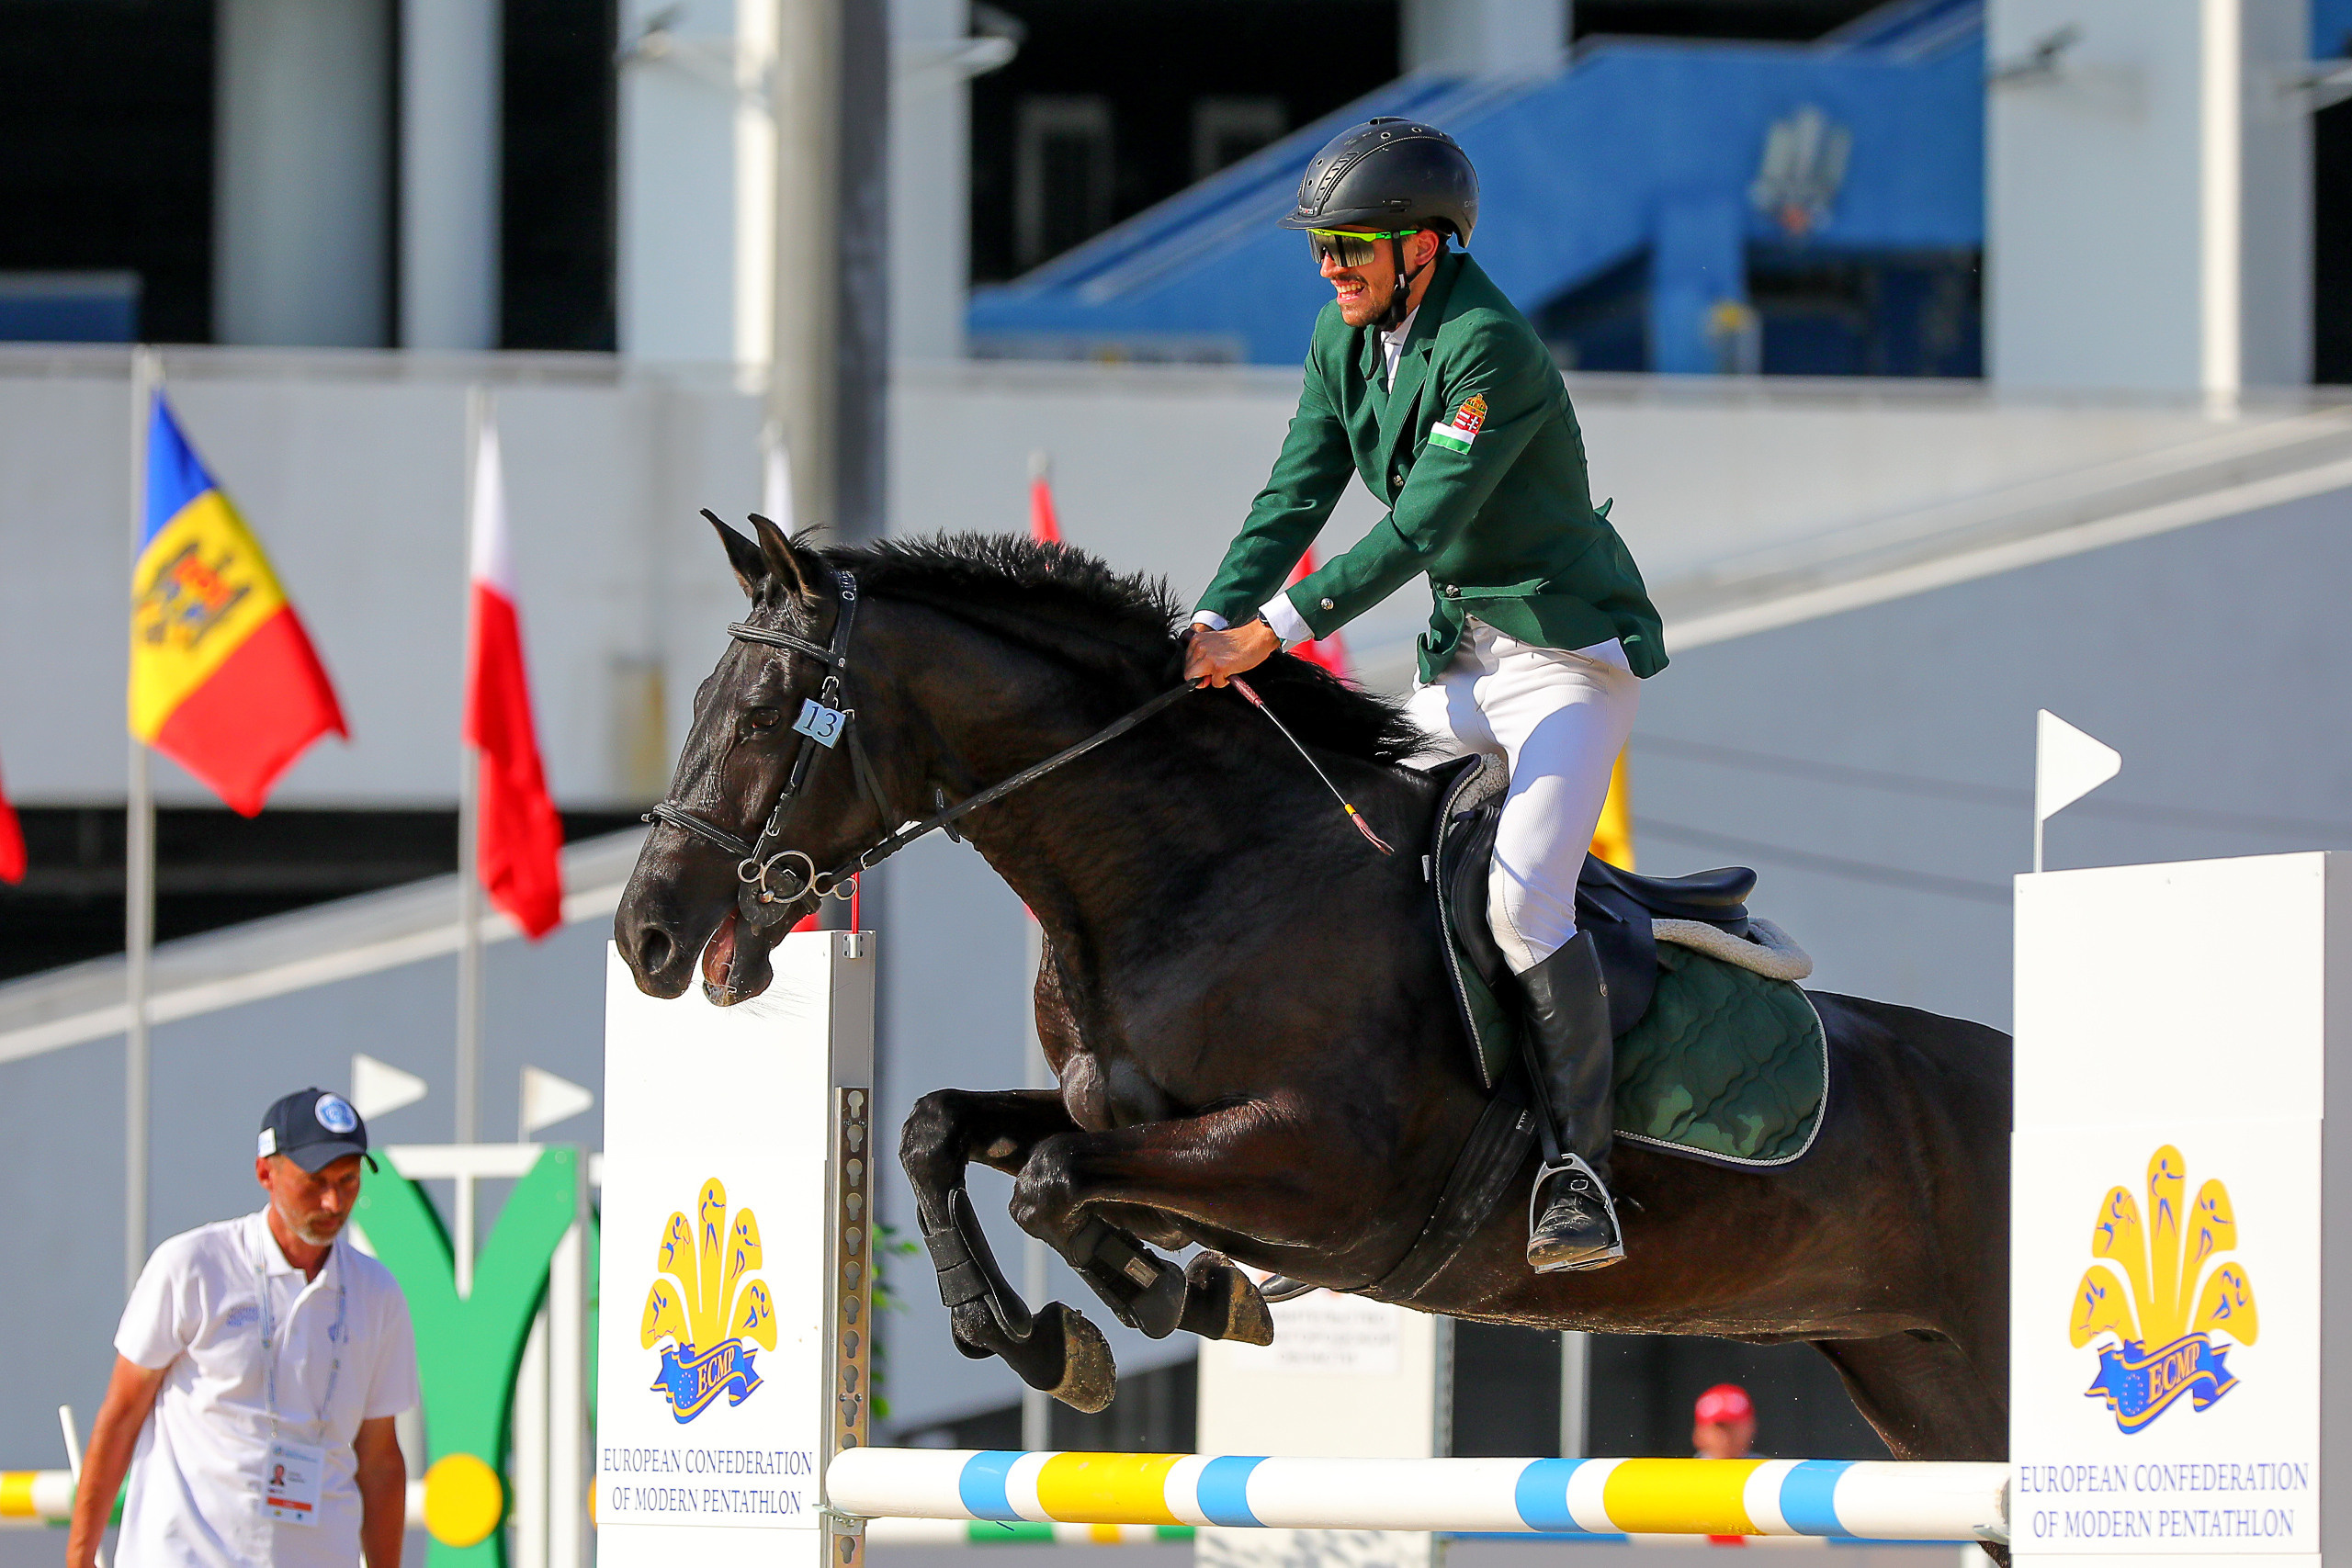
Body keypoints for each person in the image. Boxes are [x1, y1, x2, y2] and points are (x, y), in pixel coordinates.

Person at [1184, 118, 1666, 1273]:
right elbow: (1295, 491)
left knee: (1520, 910)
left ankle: (1576, 1175)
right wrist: (1210, 617)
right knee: (1352, 862)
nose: (1329, 268)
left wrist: (1277, 631)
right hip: (1463, 665)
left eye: (1348, 246)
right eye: (1321, 249)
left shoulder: (1488, 346)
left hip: (1559, 668)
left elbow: (1422, 527)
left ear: (1426, 246)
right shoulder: (1341, 337)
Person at [67, 1089, 420, 1568]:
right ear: (265, 1174)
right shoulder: (193, 1265)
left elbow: (380, 1460)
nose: (334, 1201)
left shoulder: (377, 1293)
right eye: (315, 1182)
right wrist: (79, 1557)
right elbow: (121, 1415)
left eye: (348, 1181)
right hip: (184, 1556)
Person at [1692, 1383, 1758, 1460]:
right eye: (1720, 1427)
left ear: (1750, 1428)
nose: (1727, 1437)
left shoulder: (1768, 1469)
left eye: (1733, 1427)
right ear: (1699, 1433)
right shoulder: (1684, 1470)